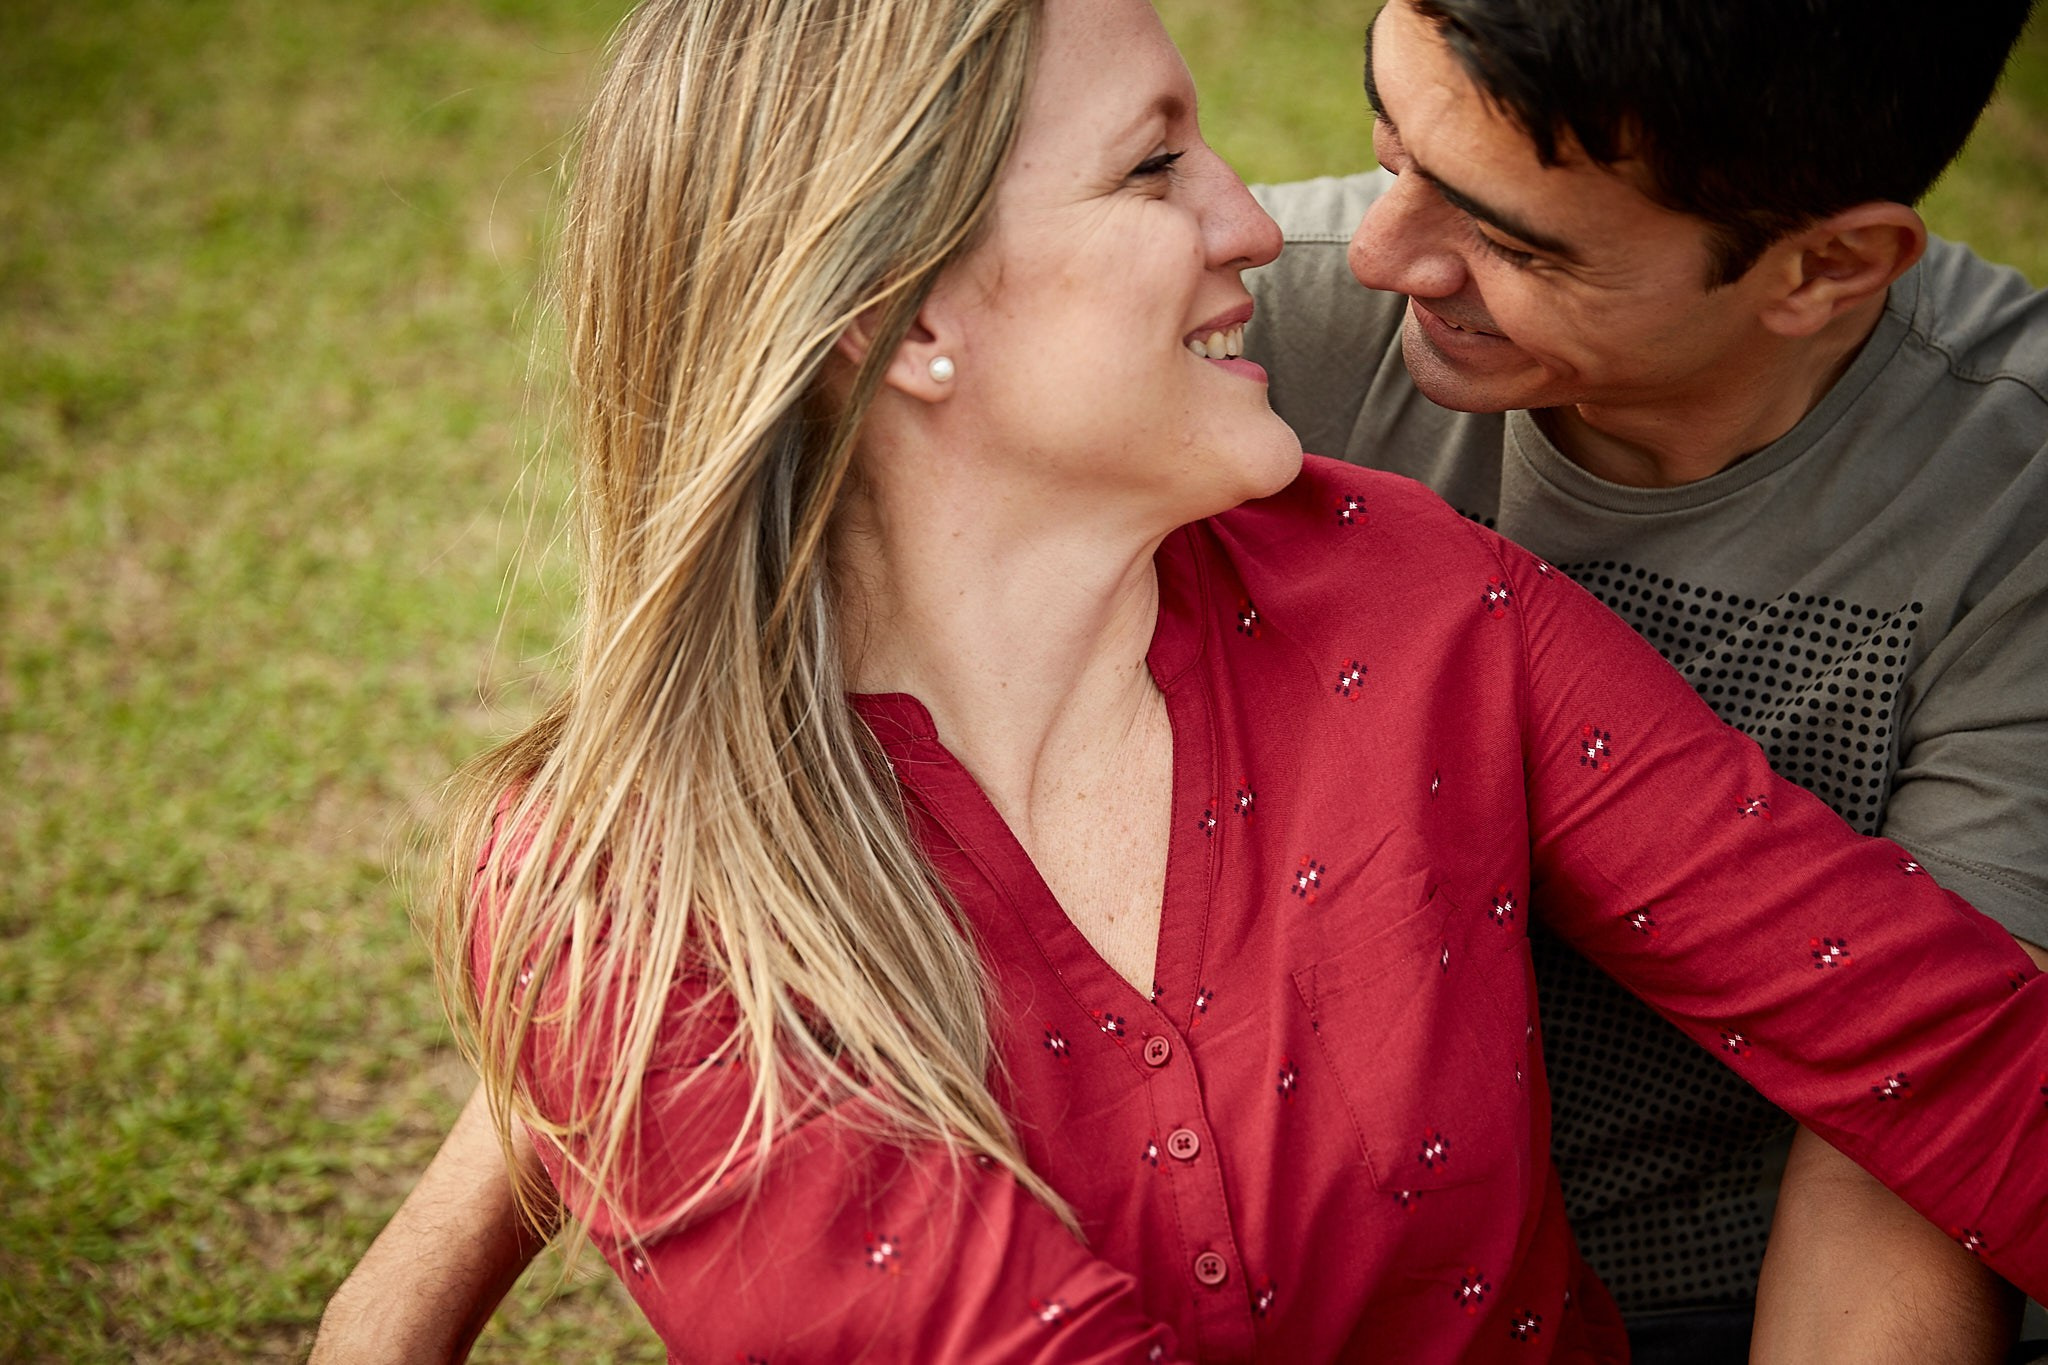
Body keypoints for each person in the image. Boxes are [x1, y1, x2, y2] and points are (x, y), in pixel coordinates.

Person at [312, 1, 2048, 1362]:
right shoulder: (641, 899)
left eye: (1515, 236)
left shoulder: (1415, 591)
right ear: (899, 314)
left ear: (1824, 271)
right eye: (1156, 168)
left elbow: (1952, 1046)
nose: (1304, 239)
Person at [1240, 1, 2048, 1360]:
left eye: (1506, 239)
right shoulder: (1244, 336)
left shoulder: (2013, 489)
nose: (1385, 256)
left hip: (1724, 1302)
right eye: (1394, 137)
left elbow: (1922, 1120)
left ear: (1827, 265)